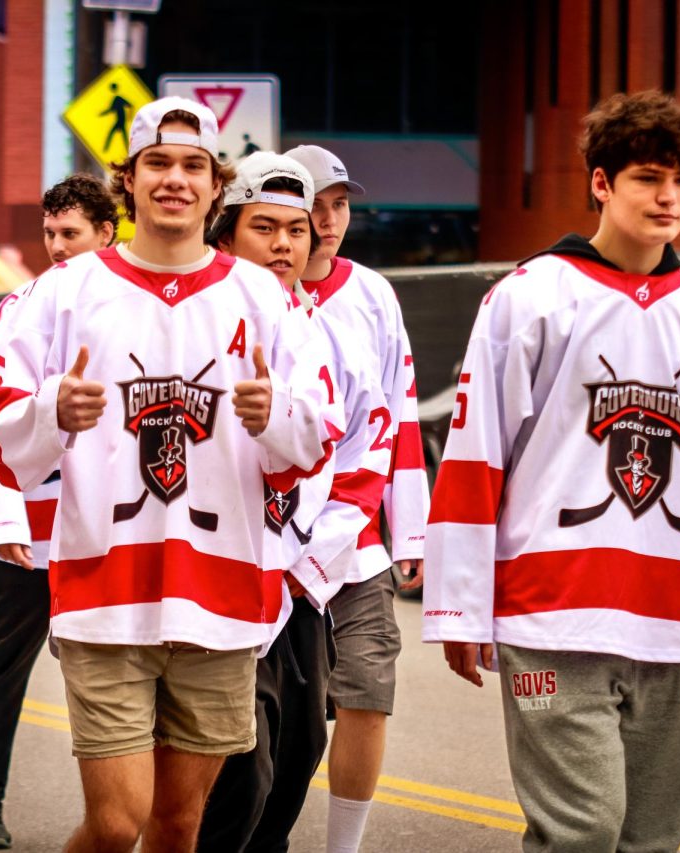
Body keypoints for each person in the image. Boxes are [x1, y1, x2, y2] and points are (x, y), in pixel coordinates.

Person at [0, 96, 343, 853]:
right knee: (115, 821)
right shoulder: (65, 290)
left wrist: (274, 415)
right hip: (105, 591)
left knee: (179, 824)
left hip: (225, 595)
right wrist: (49, 411)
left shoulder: (264, 295)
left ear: (214, 185)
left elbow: (317, 439)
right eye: (158, 164)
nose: (175, 179)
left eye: (193, 166)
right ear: (127, 181)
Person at [423, 90, 680, 852]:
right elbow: (475, 456)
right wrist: (458, 606)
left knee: (652, 837)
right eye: (648, 178)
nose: (669, 198)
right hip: (550, 610)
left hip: (673, 618)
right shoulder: (529, 298)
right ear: (601, 182)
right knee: (581, 834)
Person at [198, 152, 391, 852]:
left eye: (296, 229)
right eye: (264, 227)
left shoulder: (328, 333)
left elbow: (368, 454)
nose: (284, 244)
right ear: (227, 235)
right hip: (218, 580)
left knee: (297, 756)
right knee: (236, 770)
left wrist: (309, 566)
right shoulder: (196, 317)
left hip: (304, 583)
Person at [0, 173, 117, 850]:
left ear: (108, 233)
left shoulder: (137, 303)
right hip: (31, 526)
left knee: (118, 676)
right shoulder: (20, 305)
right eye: (49, 233)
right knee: (2, 667)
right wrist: (4, 522)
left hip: (114, 527)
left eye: (70, 233)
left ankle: (119, 813)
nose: (56, 246)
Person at [284, 143, 429, 852]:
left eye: (340, 204)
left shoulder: (373, 293)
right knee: (275, 717)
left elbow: (399, 416)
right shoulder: (254, 290)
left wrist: (413, 534)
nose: (328, 218)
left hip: (358, 543)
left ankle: (343, 848)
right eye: (314, 204)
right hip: (272, 542)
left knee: (367, 695)